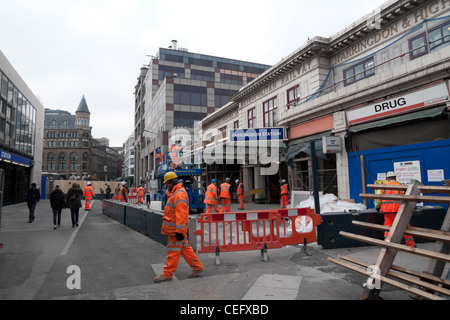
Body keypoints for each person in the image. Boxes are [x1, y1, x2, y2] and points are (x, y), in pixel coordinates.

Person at [154, 172, 203, 283]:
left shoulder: (179, 194)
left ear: (171, 182)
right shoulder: (175, 192)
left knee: (172, 251)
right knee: (185, 248)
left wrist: (179, 231)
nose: (166, 186)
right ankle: (197, 267)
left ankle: (167, 274)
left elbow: (181, 214)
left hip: (176, 230)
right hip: (176, 229)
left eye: (167, 183)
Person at [380, 171, 415, 247]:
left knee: (388, 227)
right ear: (395, 178)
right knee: (405, 226)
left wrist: (378, 207)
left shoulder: (383, 186)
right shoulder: (401, 185)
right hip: (399, 210)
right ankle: (410, 244)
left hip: (387, 210)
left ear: (387, 178)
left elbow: (378, 199)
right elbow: (407, 195)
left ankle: (387, 243)